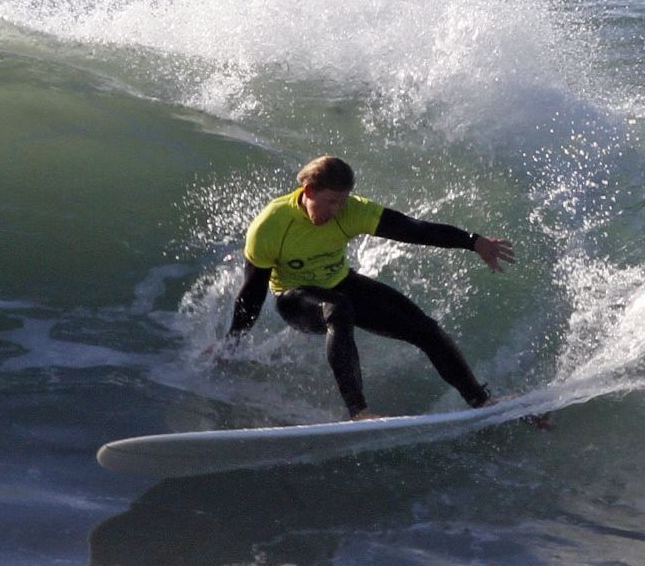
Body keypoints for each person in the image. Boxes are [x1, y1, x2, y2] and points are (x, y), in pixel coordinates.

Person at [216, 155, 515, 420]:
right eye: (331, 201)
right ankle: (359, 413)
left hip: (341, 284)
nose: (337, 210)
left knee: (425, 328)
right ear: (308, 192)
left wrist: (473, 241)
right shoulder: (271, 225)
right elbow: (253, 292)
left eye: (342, 201)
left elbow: (411, 228)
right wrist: (232, 343)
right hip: (295, 300)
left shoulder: (351, 211)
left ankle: (481, 401)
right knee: (337, 307)